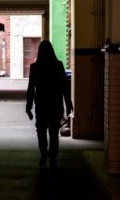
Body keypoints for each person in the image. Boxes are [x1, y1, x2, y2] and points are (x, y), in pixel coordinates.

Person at [25, 40, 73, 169]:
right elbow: (64, 87)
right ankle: (53, 157)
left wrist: (28, 107)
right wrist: (69, 105)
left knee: (41, 130)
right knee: (53, 132)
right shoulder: (58, 65)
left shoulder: (35, 67)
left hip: (41, 105)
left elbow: (31, 88)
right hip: (55, 104)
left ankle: (43, 152)